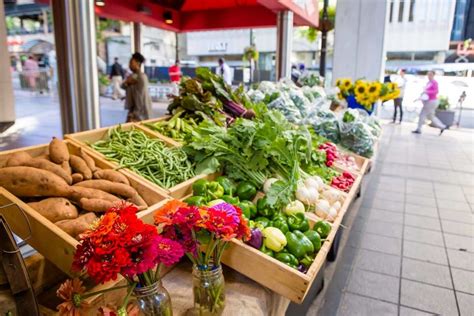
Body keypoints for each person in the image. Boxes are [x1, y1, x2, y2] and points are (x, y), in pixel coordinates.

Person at [412, 71, 447, 135]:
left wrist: (427, 91)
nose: (429, 76)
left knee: (422, 114)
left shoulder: (434, 82)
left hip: (431, 101)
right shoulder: (429, 82)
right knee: (431, 116)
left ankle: (419, 129)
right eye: (428, 74)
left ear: (433, 75)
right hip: (428, 101)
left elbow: (436, 91)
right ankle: (442, 126)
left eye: (430, 75)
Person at [121, 52, 152, 122]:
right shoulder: (133, 76)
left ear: (138, 63)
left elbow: (141, 99)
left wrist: (134, 114)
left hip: (140, 113)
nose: (129, 65)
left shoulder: (141, 77)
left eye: (131, 63)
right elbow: (123, 86)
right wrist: (127, 83)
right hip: (135, 111)